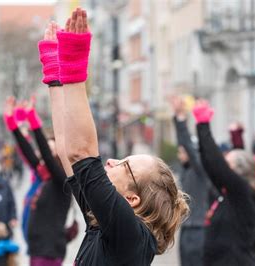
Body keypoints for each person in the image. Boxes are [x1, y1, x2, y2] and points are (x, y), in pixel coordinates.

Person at [43, 10, 189, 265]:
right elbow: (68, 151)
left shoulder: (132, 237)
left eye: (125, 165)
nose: (111, 161)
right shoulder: (102, 223)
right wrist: (56, 76)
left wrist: (75, 66)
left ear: (132, 200)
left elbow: (81, 153)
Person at [4, 96, 73, 266]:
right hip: (38, 249)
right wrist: (12, 123)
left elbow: (47, 157)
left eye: (50, 148)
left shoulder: (61, 179)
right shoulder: (45, 176)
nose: (43, 153)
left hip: (49, 252)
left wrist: (33, 120)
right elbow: (28, 152)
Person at [192, 99, 255, 266]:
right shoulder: (227, 193)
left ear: (239, 170)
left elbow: (217, 166)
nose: (224, 167)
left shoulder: (242, 192)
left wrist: (204, 126)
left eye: (228, 164)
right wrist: (201, 129)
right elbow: (210, 165)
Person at [170, 96, 212, 266]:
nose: (180, 154)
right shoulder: (187, 169)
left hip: (199, 230)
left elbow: (186, 144)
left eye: (183, 152)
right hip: (187, 228)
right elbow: (184, 145)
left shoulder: (200, 168)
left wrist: (181, 119)